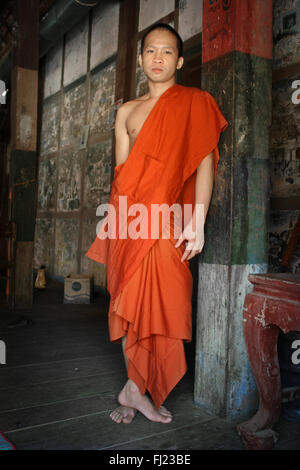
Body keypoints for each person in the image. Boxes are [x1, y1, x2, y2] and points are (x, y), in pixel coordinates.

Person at [86, 23, 228, 424]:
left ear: (179, 61)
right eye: (151, 51)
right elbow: (122, 175)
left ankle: (139, 388)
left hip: (167, 224)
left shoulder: (196, 102)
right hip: (130, 222)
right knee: (131, 302)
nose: (159, 58)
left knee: (166, 303)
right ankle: (134, 387)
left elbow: (205, 164)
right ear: (142, 58)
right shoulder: (126, 112)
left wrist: (197, 221)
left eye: (167, 52)